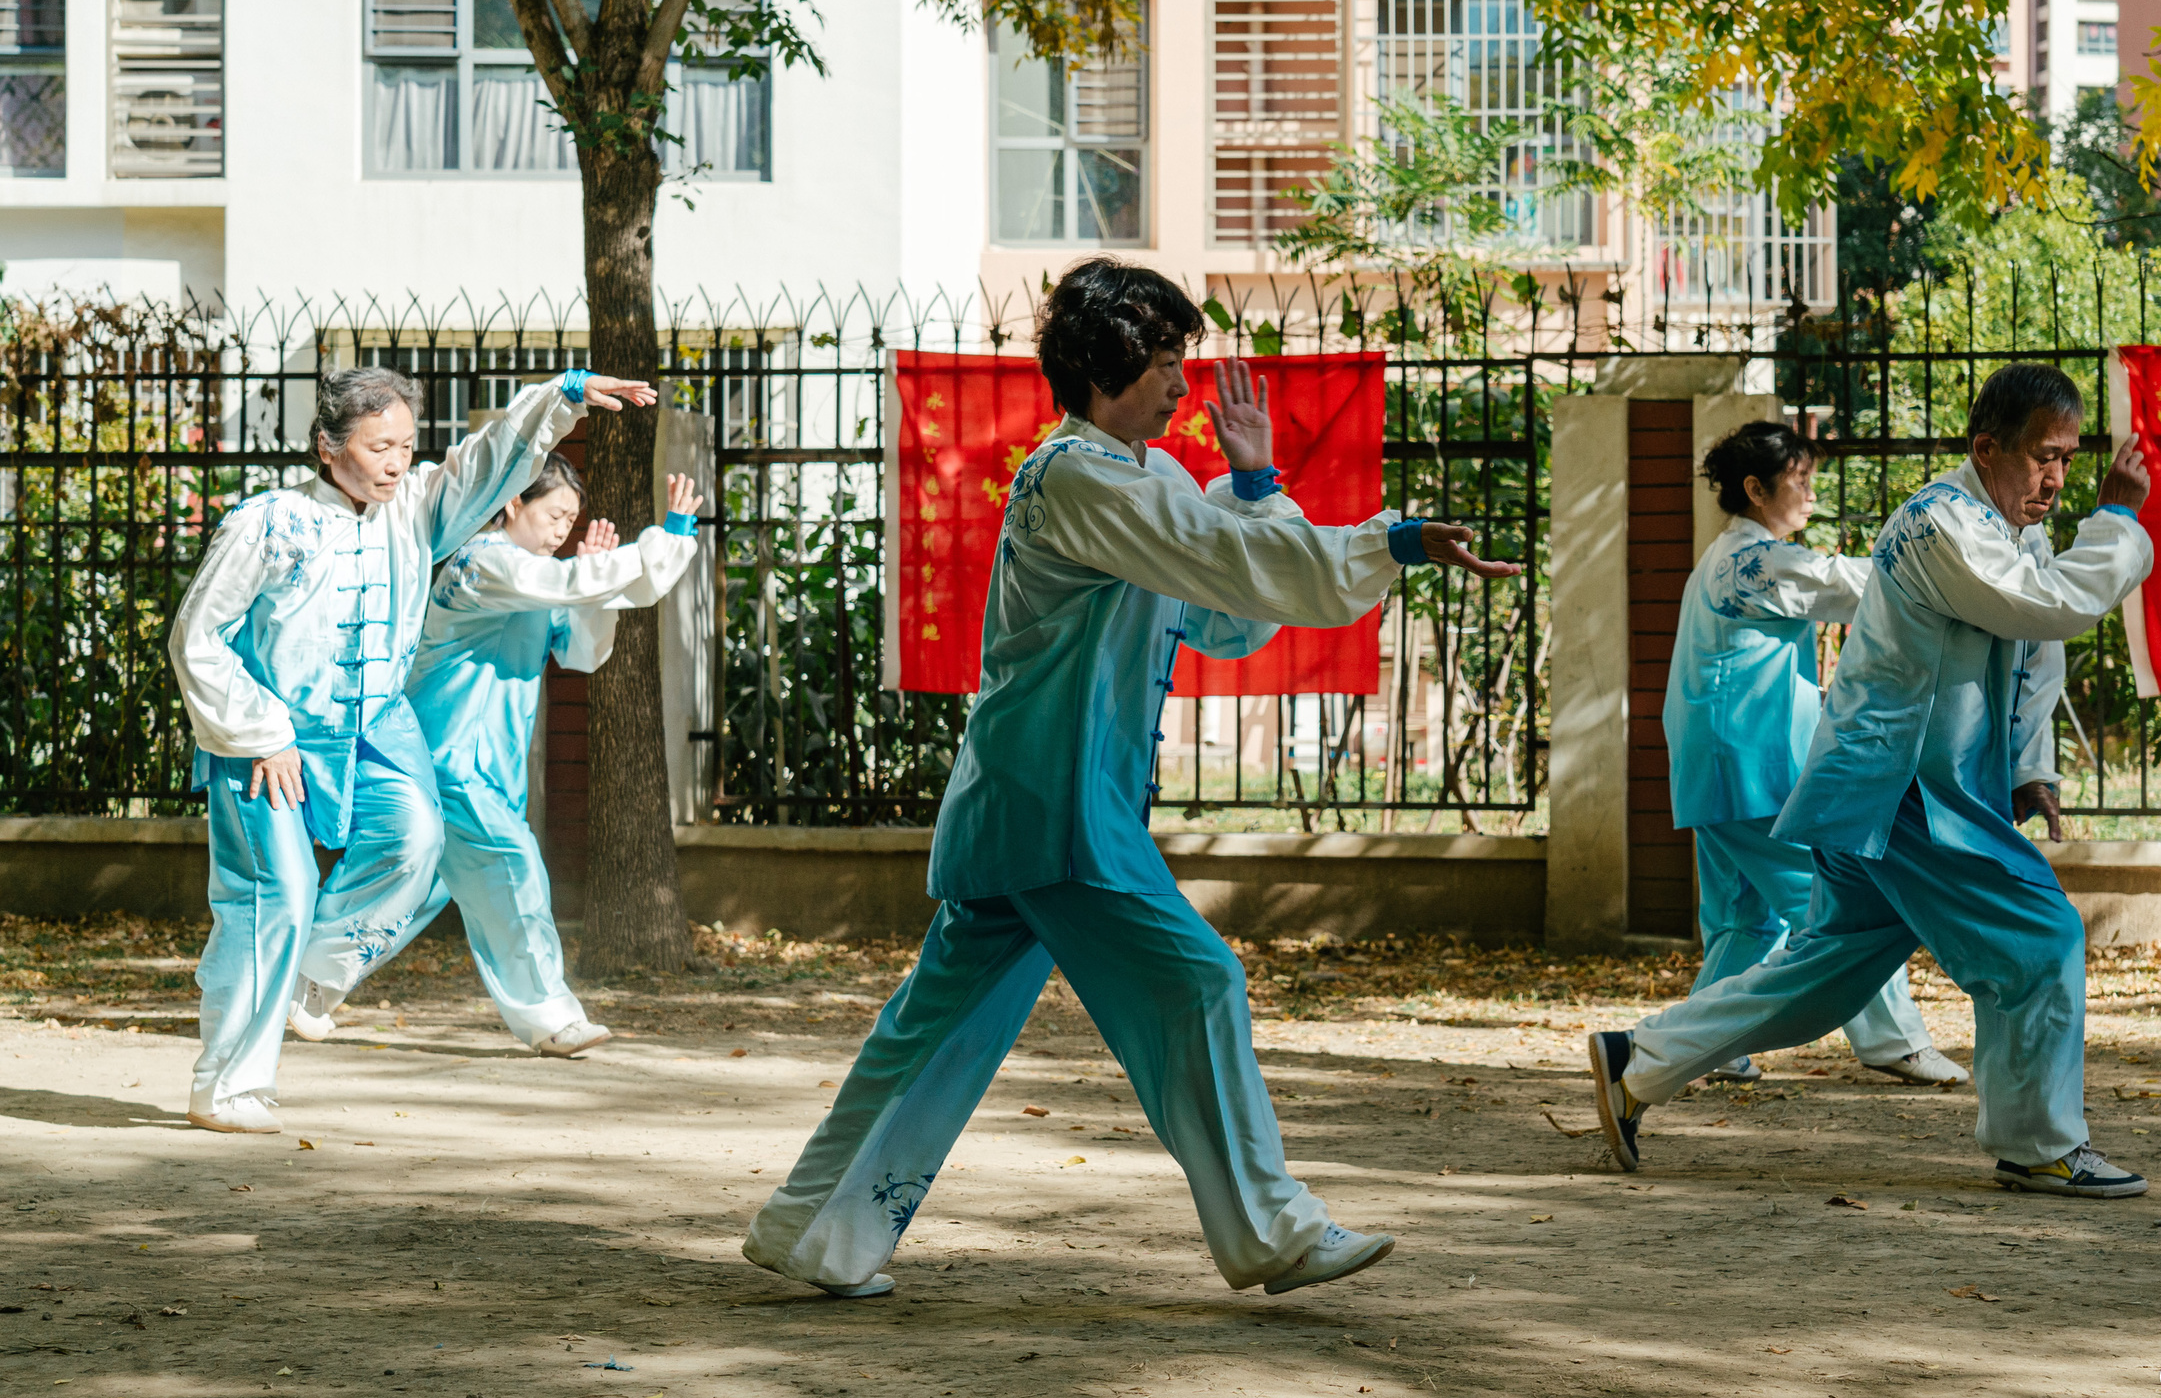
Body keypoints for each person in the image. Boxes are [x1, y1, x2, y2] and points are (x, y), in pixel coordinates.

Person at [743, 257, 1521, 1300]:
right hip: (1055, 806)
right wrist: (1394, 539)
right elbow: (1236, 566)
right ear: (1110, 362)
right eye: (1164, 359)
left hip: (1038, 802)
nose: (1181, 383)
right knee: (1197, 979)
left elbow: (1231, 616)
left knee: (936, 1027)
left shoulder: (1137, 478)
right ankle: (1273, 1229)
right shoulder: (1077, 477)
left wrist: (1252, 482)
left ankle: (811, 1230)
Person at [1588, 362, 2154, 1197]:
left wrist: (2032, 767)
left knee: (1826, 970)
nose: (2057, 477)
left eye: (2069, 459)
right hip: (1906, 790)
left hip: (1890, 786)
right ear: (1986, 448)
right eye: (2044, 457)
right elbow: (2051, 606)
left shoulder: (2009, 530)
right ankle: (2037, 1144)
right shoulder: (1940, 523)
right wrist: (2115, 519)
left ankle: (1639, 1060)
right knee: (2041, 940)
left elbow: (2037, 653)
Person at [168, 364, 655, 1133]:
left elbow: (487, 459)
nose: (396, 462)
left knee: (417, 841)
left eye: (404, 444)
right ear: (328, 448)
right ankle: (228, 1083)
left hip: (376, 726)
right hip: (272, 739)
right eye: (377, 446)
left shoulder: (419, 506)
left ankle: (311, 977)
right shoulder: (266, 524)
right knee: (279, 894)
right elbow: (197, 637)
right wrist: (260, 731)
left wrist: (558, 399)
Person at [297, 458, 704, 1056]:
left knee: (407, 893)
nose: (563, 528)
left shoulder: (534, 575)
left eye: (571, 517)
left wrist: (593, 586)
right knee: (512, 868)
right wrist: (666, 539)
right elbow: (566, 585)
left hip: (489, 766)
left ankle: (297, 983)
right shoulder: (480, 562)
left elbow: (585, 652)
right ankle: (553, 1018)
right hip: (446, 756)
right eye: (553, 513)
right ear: (512, 503)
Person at [1670, 420, 1967, 1089]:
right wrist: (1947, 570)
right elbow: (1847, 584)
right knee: (1838, 905)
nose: (1809, 493)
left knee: (1744, 921)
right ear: (1755, 489)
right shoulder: (1753, 562)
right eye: (1798, 481)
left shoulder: (1722, 562)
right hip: (1754, 766)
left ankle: (1695, 1042)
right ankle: (1895, 1039)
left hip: (1720, 771)